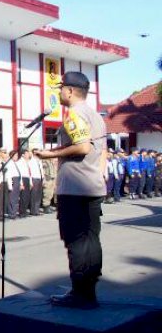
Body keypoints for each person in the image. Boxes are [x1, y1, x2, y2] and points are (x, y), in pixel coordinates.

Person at [36, 71, 106, 309]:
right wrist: (98, 175)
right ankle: (88, 291)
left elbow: (83, 147)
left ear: (70, 91)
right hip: (92, 186)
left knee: (75, 241)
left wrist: (49, 154)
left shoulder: (74, 114)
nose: (59, 92)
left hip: (75, 188)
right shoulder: (97, 116)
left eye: (61, 88)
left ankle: (80, 293)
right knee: (91, 240)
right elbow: (102, 151)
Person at [41, 148, 58, 212]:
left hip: (52, 178)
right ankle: (46, 206)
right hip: (47, 178)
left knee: (51, 193)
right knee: (47, 193)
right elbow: (43, 170)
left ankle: (48, 205)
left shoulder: (50, 160)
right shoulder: (43, 161)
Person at [28, 149, 44, 215]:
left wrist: (43, 179)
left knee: (39, 195)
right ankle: (33, 210)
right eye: (35, 152)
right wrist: (31, 181)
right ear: (33, 153)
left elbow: (41, 170)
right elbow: (30, 172)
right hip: (34, 178)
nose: (37, 153)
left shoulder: (39, 161)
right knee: (33, 195)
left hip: (40, 178)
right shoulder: (31, 161)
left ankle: (37, 210)